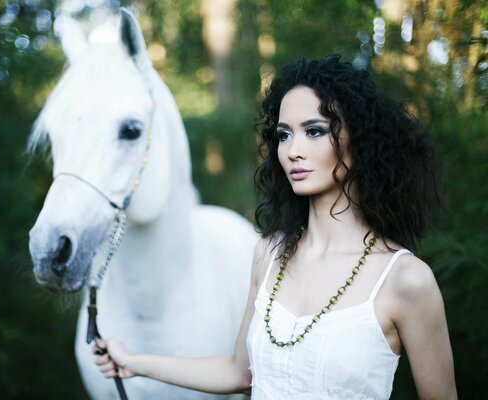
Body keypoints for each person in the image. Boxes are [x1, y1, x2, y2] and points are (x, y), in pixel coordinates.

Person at [93, 55, 457, 399]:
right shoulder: (268, 253)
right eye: (284, 135)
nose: (292, 150)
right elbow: (240, 374)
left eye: (314, 131)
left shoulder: (405, 280)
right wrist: (134, 363)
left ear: (360, 141)